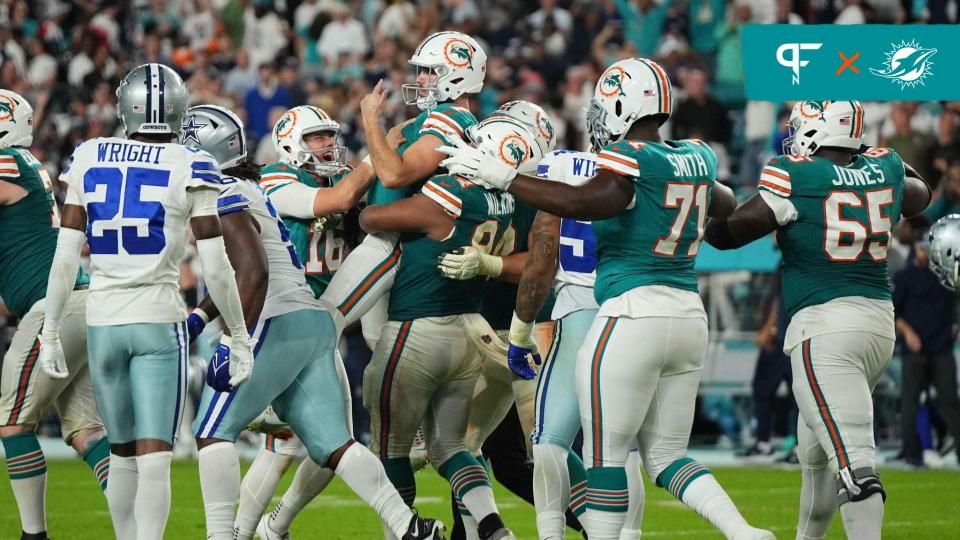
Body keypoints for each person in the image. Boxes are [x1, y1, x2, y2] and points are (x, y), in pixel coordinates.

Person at [440, 57, 775, 540]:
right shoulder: (697, 156)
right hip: (687, 312)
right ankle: (742, 531)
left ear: (622, 104)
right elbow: (725, 211)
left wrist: (507, 176)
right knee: (663, 456)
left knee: (597, 453)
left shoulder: (621, 161)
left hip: (625, 312)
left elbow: (587, 202)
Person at [179, 104, 445, 540]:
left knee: (212, 432)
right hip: (314, 322)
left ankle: (224, 535)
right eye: (315, 136)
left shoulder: (223, 191)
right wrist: (200, 314)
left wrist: (236, 341)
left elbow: (251, 273)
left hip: (274, 319)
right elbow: (243, 272)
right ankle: (408, 526)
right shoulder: (257, 186)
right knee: (334, 446)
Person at [37, 63, 254, 540]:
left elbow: (65, 256)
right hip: (158, 319)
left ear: (125, 106)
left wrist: (51, 329)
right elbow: (216, 267)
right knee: (154, 457)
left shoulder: (90, 155)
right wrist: (239, 336)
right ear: (179, 109)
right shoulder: (190, 163)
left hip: (103, 319)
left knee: (121, 453)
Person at [703, 100, 931, 540]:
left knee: (853, 464)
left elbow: (731, 233)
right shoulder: (885, 167)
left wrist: (703, 217)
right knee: (816, 457)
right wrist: (875, 160)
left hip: (825, 329)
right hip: (877, 326)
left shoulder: (795, 174)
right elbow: (919, 195)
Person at [360, 117, 544, 540]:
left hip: (416, 330)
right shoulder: (507, 203)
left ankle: (403, 533)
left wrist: (377, 196)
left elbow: (374, 218)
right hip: (466, 336)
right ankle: (494, 528)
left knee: (391, 448)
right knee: (451, 448)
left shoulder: (455, 194)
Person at [504, 148, 646, 539]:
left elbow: (542, 261)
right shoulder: (647, 166)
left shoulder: (562, 165)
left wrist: (520, 332)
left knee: (549, 440)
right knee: (621, 446)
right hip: (629, 312)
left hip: (579, 311)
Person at [318, 30, 486, 347]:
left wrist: (369, 119)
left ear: (457, 75)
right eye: (420, 70)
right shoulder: (440, 119)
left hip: (401, 241)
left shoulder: (448, 119)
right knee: (378, 347)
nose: (421, 78)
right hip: (405, 238)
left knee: (325, 319)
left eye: (430, 70)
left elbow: (396, 175)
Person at [0, 90, 110, 540]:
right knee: (86, 432)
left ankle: (33, 536)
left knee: (12, 421)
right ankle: (140, 525)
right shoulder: (23, 164)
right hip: (77, 304)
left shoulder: (7, 161)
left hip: (56, 311)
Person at [894, 236, 960, 466]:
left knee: (950, 400)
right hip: (915, 349)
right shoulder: (905, 277)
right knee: (911, 402)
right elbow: (894, 313)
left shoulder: (946, 278)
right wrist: (908, 332)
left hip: (941, 347)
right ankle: (911, 453)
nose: (923, 254)